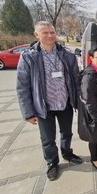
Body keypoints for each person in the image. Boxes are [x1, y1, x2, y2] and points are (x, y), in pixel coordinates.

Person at [17, 21, 82, 181]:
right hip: (44, 107)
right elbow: (22, 87)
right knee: (48, 139)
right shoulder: (28, 57)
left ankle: (67, 153)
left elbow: (75, 80)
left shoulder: (67, 55)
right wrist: (28, 112)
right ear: (36, 35)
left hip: (65, 103)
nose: (50, 36)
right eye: (45, 32)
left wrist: (79, 101)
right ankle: (52, 163)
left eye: (52, 32)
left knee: (66, 133)